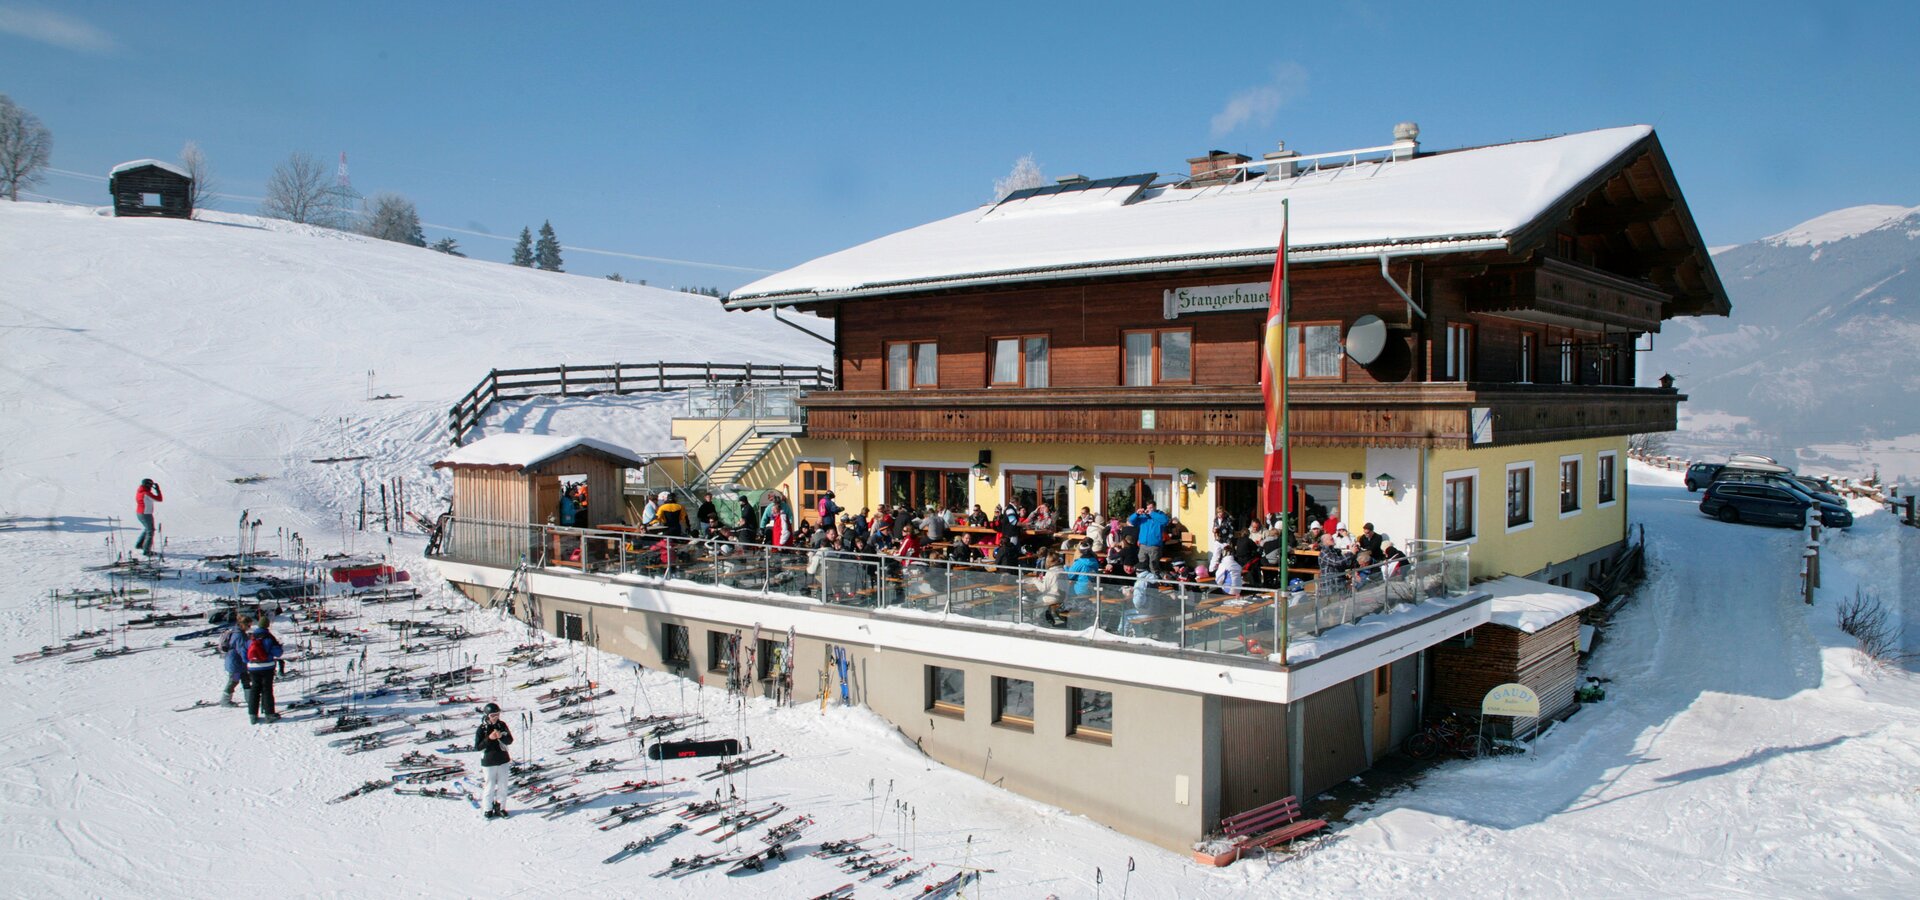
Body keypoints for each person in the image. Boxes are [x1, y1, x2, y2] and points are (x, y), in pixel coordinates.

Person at [476, 702, 514, 819]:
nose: (495, 717)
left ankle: (500, 807)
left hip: (503, 759)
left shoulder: (502, 725)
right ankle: (488, 808)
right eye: (493, 715)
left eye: (497, 714)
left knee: (503, 785)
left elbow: (509, 740)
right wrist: (489, 738)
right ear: (487, 715)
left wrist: (501, 737)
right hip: (489, 761)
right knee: (489, 786)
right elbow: (478, 747)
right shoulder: (482, 728)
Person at [242, 621, 283, 723]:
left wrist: (249, 662)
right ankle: (269, 714)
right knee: (267, 690)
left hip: (252, 668)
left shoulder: (251, 638)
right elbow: (278, 653)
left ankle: (252, 716)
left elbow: (243, 653)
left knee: (254, 689)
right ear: (267, 625)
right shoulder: (269, 637)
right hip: (267, 667)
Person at [217, 614, 254, 706]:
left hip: (239, 663)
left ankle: (250, 699)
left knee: (246, 679)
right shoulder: (239, 635)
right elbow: (242, 650)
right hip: (235, 663)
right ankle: (225, 701)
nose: (250, 627)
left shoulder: (237, 632)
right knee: (234, 680)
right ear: (243, 625)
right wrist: (249, 660)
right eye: (248, 625)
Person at [1028, 552, 1069, 626]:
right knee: (1043, 600)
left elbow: (1043, 589)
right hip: (1064, 596)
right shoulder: (1063, 570)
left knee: (1037, 601)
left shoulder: (1051, 572)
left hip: (1054, 597)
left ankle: (1042, 621)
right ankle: (1049, 618)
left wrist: (1035, 581)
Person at [133, 478, 163, 556]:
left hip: (140, 513)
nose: (151, 487)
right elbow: (159, 499)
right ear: (148, 485)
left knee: (147, 529)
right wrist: (158, 491)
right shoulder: (146, 493)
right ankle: (146, 551)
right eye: (151, 485)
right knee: (150, 531)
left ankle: (139, 545)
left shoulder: (140, 491)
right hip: (146, 514)